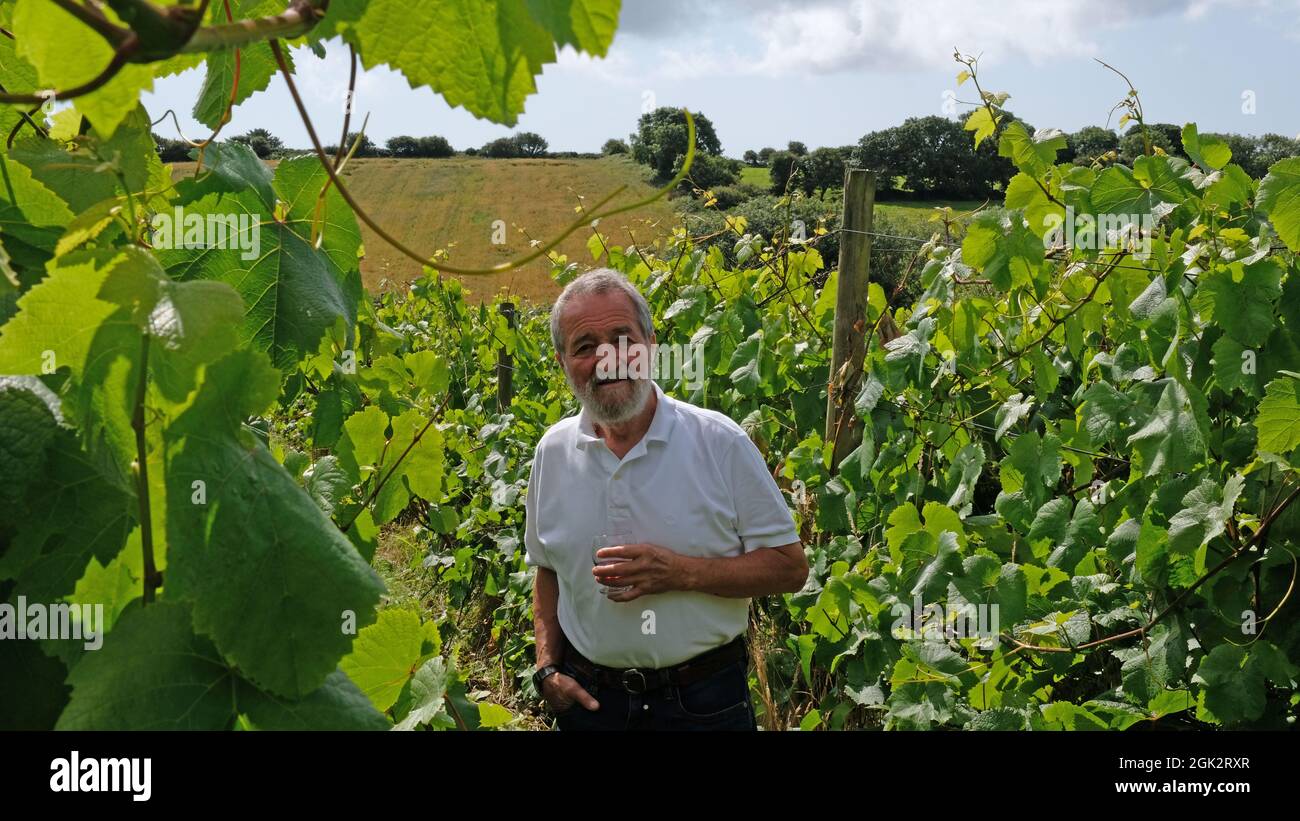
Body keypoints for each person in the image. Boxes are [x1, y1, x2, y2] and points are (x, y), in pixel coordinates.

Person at [524, 268, 808, 731]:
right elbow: (548, 568)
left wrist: (681, 572)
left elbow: (790, 567)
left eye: (622, 338)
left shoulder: (720, 442)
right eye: (584, 346)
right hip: (591, 705)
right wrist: (547, 668)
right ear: (562, 362)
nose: (608, 359)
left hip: (703, 703)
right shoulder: (552, 452)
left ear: (651, 345)